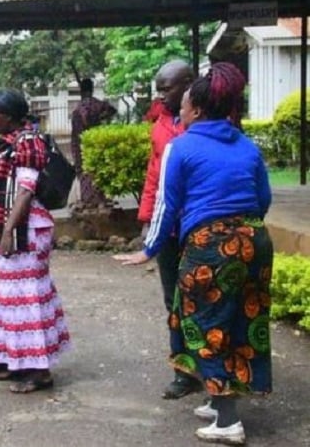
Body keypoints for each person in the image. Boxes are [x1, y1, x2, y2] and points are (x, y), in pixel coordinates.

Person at [115, 63, 273, 445]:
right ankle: (221, 403)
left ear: (197, 110)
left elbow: (168, 206)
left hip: (210, 246)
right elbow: (263, 199)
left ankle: (229, 421)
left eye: (183, 106)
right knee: (240, 318)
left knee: (203, 323)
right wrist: (242, 232)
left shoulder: (180, 145)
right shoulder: (246, 144)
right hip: (256, 240)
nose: (178, 112)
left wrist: (148, 249)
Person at [0, 90, 71, 393]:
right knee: (10, 298)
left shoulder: (27, 143)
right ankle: (16, 360)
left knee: (28, 298)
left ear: (10, 116)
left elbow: (25, 191)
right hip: (9, 230)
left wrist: (8, 231)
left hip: (26, 232)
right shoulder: (8, 142)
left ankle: (39, 371)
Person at [138, 60, 199, 400]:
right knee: (172, 299)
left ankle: (211, 368)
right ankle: (183, 371)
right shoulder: (160, 124)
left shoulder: (208, 122)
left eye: (167, 88)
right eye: (158, 88)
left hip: (198, 227)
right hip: (168, 230)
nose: (160, 96)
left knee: (203, 299)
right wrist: (148, 221)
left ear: (189, 85)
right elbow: (153, 175)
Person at [70, 78, 117, 207]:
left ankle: (88, 200)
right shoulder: (98, 104)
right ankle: (99, 198)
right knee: (97, 170)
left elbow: (78, 129)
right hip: (96, 142)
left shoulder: (78, 109)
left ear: (81, 90)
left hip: (80, 144)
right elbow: (112, 110)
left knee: (84, 172)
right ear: (92, 89)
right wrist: (101, 118)